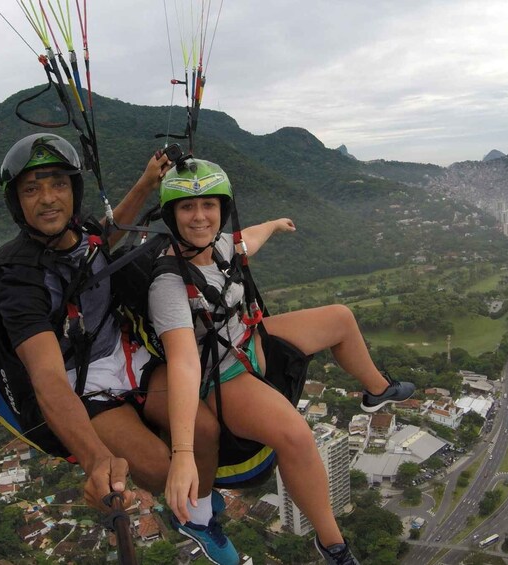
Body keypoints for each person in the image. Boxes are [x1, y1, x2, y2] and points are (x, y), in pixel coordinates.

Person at [148, 158, 416, 565]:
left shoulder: (220, 246)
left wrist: (274, 224)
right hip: (220, 372)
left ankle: (376, 391)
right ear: (171, 214)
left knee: (340, 318)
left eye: (209, 206)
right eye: (187, 207)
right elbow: (184, 361)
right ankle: (332, 543)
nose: (200, 216)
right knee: (296, 436)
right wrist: (184, 452)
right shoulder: (168, 285)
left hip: (251, 339)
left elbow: (248, 239)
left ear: (222, 209)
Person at [0, 134, 237, 562]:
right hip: (82, 385)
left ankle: (198, 507)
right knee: (160, 467)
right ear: (17, 203)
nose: (47, 199)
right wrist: (96, 460)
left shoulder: (82, 233)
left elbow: (106, 235)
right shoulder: (19, 282)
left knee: (206, 430)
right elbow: (46, 377)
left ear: (73, 190)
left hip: (126, 357)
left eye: (58, 184)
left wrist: (144, 183)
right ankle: (189, 515)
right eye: (32, 189)